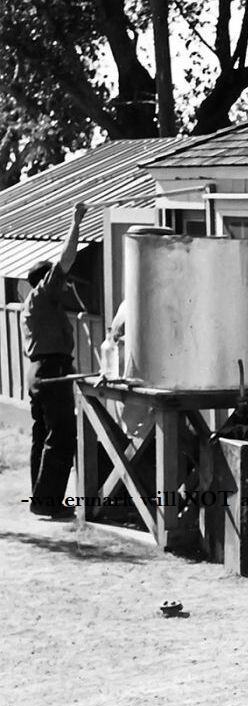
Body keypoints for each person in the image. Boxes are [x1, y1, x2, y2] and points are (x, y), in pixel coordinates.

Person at [23, 201, 87, 518]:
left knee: (42, 435)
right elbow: (66, 259)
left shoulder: (36, 306)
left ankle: (39, 498)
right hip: (52, 370)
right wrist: (76, 222)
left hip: (37, 371)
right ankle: (49, 502)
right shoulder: (44, 294)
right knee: (62, 434)